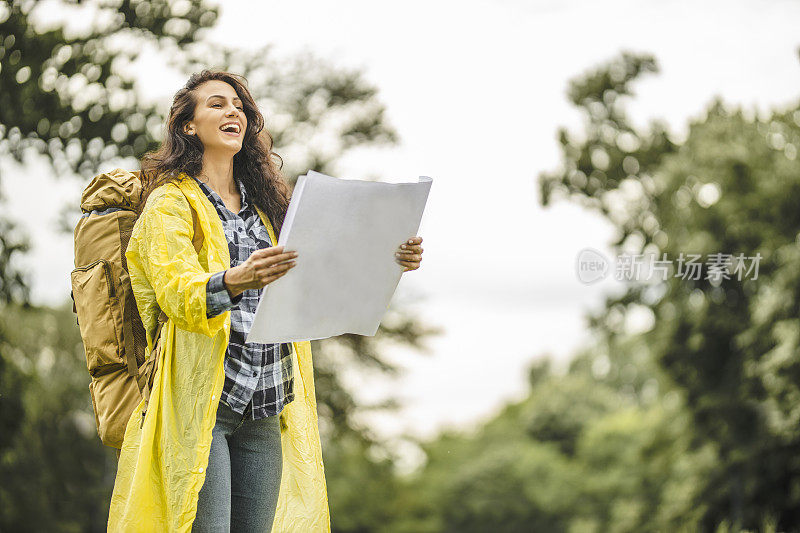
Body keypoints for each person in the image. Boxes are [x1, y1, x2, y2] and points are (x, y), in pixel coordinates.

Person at [107, 70, 424, 532]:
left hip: (265, 404)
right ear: (188, 126)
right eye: (216, 104)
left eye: (238, 105)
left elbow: (326, 272)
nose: (232, 110)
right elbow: (177, 294)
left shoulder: (269, 207)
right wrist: (236, 280)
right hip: (204, 407)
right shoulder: (170, 205)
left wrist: (393, 256)